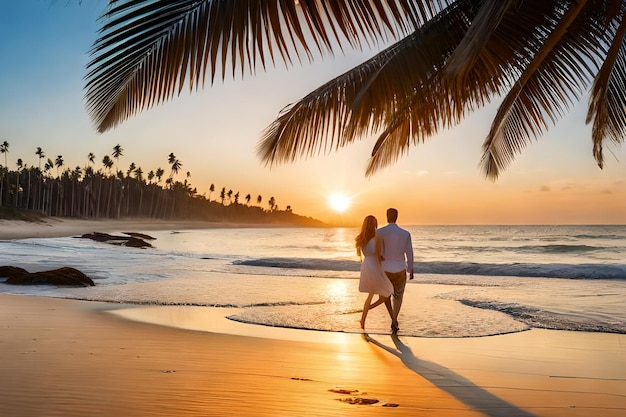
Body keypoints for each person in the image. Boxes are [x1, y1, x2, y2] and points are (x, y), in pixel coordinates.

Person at [377, 208, 414, 332]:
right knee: (398, 296)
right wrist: (411, 269)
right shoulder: (405, 234)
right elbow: (409, 253)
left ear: (387, 216)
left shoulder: (380, 232)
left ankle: (392, 319)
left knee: (384, 295)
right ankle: (394, 319)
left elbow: (378, 252)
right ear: (397, 217)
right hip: (400, 268)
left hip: (385, 268)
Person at [355, 215, 394, 330]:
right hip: (375, 265)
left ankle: (363, 320)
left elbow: (361, 254)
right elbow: (378, 255)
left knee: (372, 294)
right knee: (387, 291)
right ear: (374, 224)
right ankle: (370, 309)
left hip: (366, 265)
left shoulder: (360, 238)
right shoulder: (377, 237)